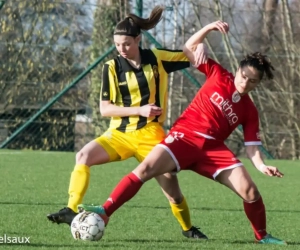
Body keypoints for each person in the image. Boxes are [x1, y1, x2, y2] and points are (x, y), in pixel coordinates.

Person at [78, 20, 287, 245]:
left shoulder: (250, 110)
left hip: (212, 150)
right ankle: (105, 211)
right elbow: (188, 49)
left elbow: (252, 148)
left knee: (251, 192)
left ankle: (262, 237)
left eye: (252, 81)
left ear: (258, 83)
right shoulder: (217, 73)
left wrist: (262, 165)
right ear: (238, 69)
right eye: (243, 76)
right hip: (184, 138)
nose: (245, 83)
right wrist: (208, 30)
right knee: (145, 169)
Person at [46, 6, 206, 239]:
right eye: (118, 44)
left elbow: (188, 52)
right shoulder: (110, 68)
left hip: (151, 136)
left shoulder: (157, 58)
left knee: (172, 190)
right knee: (82, 156)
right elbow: (105, 108)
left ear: (138, 40)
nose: (121, 49)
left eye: (127, 44)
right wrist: (139, 109)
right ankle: (71, 210)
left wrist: (201, 43)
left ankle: (188, 229)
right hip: (118, 134)